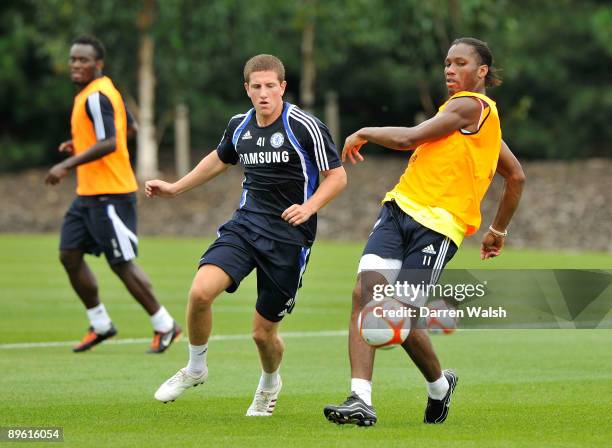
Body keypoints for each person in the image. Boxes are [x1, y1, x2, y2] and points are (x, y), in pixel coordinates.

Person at [324, 37, 525, 426]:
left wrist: (365, 130)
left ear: (481, 71)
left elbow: (409, 139)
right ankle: (360, 399)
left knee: (395, 314)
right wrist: (497, 230)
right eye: (447, 63)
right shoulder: (468, 117)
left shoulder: (471, 106)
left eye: (460, 63)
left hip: (438, 228)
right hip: (399, 209)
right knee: (365, 297)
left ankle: (438, 387)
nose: (450, 70)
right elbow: (515, 175)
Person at [146, 54, 347, 416]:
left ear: (283, 87)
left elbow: (337, 176)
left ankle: (269, 385)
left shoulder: (304, 126)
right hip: (245, 226)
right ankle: (195, 368)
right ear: (247, 89)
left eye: (271, 85)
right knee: (200, 291)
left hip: (289, 239)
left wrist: (309, 207)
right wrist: (175, 188)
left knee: (262, 334)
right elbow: (220, 159)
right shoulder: (240, 125)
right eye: (257, 86)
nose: (264, 93)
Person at [45, 35, 181, 354]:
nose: (76, 65)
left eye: (83, 60)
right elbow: (128, 129)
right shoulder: (100, 92)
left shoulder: (96, 96)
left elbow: (111, 142)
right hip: (88, 194)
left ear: (98, 64)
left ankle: (165, 325)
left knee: (121, 263)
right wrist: (80, 145)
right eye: (73, 59)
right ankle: (101, 323)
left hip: (111, 194)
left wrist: (67, 163)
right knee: (69, 254)